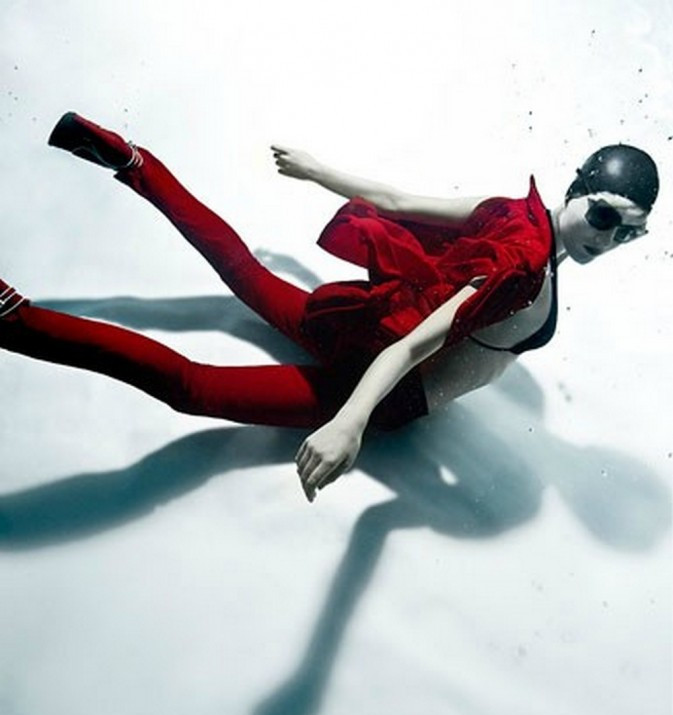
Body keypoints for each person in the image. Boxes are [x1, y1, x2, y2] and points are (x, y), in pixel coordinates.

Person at [0, 113, 659, 501]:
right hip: (382, 385)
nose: (607, 240)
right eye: (604, 217)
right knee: (193, 388)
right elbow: (416, 347)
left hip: (359, 319)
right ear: (577, 188)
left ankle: (135, 162)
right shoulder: (521, 272)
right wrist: (350, 422)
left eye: (628, 234)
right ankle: (15, 320)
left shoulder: (515, 213)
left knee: (245, 273)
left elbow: (399, 202)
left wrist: (319, 171)